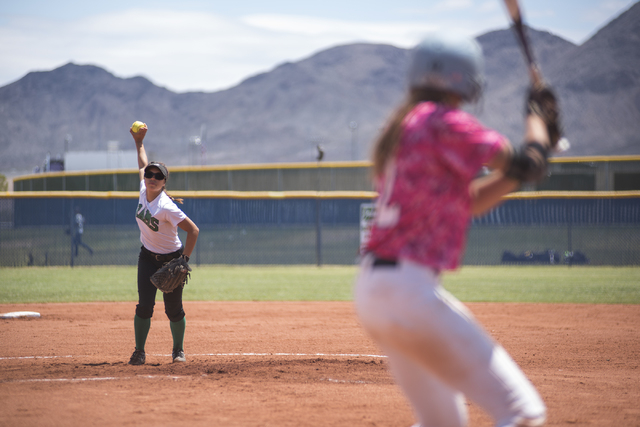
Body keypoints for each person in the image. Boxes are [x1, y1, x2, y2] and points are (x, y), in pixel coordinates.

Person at [355, 32, 561, 427]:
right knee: (523, 413)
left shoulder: (403, 127)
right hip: (409, 291)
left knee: (441, 423)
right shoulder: (445, 122)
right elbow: (526, 162)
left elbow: (467, 203)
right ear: (463, 79)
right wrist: (537, 122)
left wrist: (535, 148)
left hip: (373, 292)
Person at [128, 122, 200, 365]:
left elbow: (193, 230)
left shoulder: (166, 207)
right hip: (147, 257)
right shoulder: (142, 188)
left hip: (171, 260)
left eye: (158, 176)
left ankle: (178, 350)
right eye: (150, 174)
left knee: (173, 310)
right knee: (144, 306)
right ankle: (139, 351)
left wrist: (183, 261)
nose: (152, 177)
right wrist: (138, 142)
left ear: (164, 182)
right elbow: (141, 161)